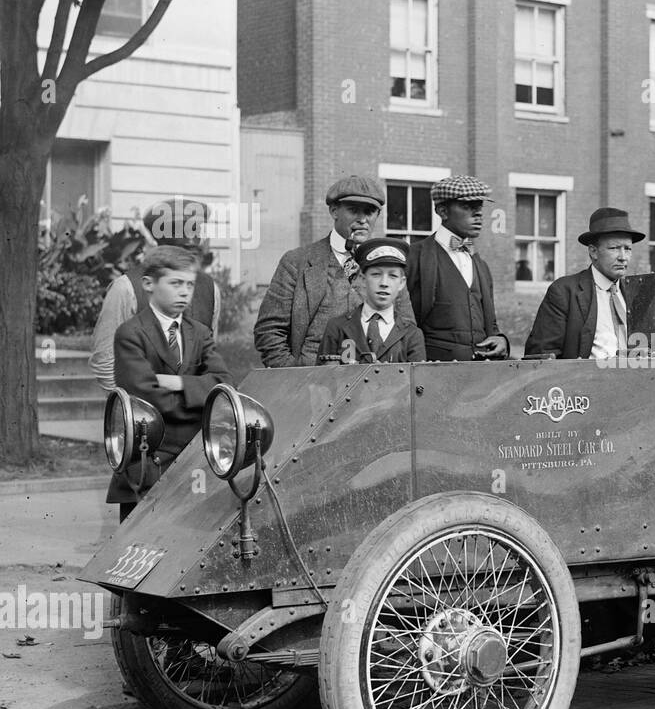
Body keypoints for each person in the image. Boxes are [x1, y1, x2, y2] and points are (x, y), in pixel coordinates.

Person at [107, 246, 233, 522]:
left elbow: (224, 384)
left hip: (196, 462)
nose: (185, 292)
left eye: (189, 284)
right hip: (147, 463)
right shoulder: (131, 335)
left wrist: (176, 382)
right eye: (175, 283)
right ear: (149, 284)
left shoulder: (199, 333)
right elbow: (150, 400)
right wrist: (203, 402)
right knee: (140, 549)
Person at [254, 174, 414, 368]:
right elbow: (269, 330)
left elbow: (406, 328)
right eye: (354, 210)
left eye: (370, 211)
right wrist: (294, 377)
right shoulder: (296, 262)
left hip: (375, 383)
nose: (362, 219)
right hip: (310, 382)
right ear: (334, 211)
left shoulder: (390, 267)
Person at [89, 197, 222, 392]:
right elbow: (105, 361)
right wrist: (134, 410)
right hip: (141, 414)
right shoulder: (126, 288)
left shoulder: (210, 289)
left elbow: (209, 360)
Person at [407, 175, 510, 361]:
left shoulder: (481, 265)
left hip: (481, 372)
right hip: (433, 372)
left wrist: (501, 339)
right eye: (467, 206)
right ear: (442, 211)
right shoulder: (414, 257)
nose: (478, 213)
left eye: (479, 206)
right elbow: (403, 323)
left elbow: (490, 324)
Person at [525, 208, 644, 360]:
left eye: (627, 249)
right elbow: (541, 354)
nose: (623, 257)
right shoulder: (564, 292)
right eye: (614, 248)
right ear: (593, 252)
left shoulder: (635, 294)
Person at [316, 239, 426, 364]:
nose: (384, 283)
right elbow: (322, 379)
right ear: (363, 279)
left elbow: (418, 382)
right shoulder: (337, 327)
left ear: (401, 283)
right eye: (376, 274)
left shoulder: (412, 335)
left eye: (393, 276)